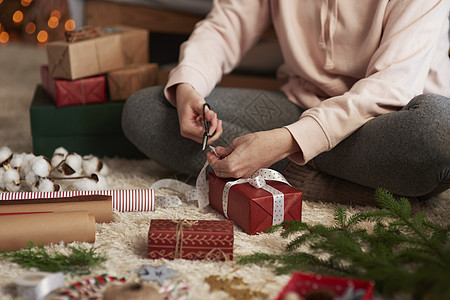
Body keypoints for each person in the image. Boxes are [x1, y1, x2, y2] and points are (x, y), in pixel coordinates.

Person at [122, 0, 450, 202]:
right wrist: (189, 87)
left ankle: (282, 169)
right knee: (146, 109)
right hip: (300, 109)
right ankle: (344, 186)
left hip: (390, 121)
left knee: (441, 132)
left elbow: (389, 88)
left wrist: (286, 141)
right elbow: (224, 28)